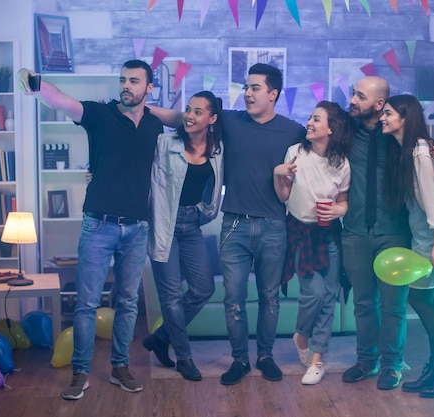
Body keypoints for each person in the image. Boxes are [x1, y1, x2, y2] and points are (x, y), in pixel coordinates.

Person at [148, 63, 306, 385]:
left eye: (255, 88)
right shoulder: (230, 121)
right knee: (233, 298)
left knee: (269, 297)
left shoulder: (292, 130)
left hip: (275, 225)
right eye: (246, 87)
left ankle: (265, 356)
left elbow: (321, 151)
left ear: (273, 94)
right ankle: (239, 360)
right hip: (233, 224)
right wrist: (139, 108)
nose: (247, 93)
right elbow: (182, 118)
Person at [17, 60, 164, 400]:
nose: (126, 86)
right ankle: (80, 372)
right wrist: (37, 84)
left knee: (128, 303)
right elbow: (62, 100)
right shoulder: (100, 115)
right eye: (123, 80)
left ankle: (119, 367)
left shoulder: (155, 126)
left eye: (134, 81)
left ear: (148, 87)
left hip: (137, 227)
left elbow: (178, 120)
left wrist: (152, 107)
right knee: (86, 303)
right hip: (98, 225)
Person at [340, 76, 434, 390]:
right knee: (363, 303)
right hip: (355, 233)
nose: (352, 100)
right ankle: (366, 361)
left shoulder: (399, 135)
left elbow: (429, 156)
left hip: (396, 233)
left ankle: (391, 366)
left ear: (379, 104)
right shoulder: (346, 131)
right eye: (353, 93)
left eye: (359, 96)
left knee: (393, 305)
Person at [380, 94, 434, 398]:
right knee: (430, 303)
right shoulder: (409, 150)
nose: (383, 118)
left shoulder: (420, 153)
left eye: (389, 113)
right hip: (427, 236)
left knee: (421, 300)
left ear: (405, 118)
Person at [142, 91, 224, 382]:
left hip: (192, 225)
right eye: (188, 109)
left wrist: (205, 211)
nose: (190, 115)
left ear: (212, 119)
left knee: (204, 289)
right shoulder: (165, 143)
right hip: (165, 224)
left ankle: (160, 338)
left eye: (199, 112)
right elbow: (135, 164)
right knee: (172, 297)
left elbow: (215, 186)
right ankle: (185, 357)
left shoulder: (217, 150)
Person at [274, 101, 353, 385]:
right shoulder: (295, 153)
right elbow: (283, 196)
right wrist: (278, 174)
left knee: (329, 296)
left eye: (316, 119)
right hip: (299, 232)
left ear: (331, 129)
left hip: (329, 233)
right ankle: (301, 335)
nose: (309, 122)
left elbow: (343, 202)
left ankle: (318, 360)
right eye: (310, 117)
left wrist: (338, 211)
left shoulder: (342, 163)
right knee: (315, 293)